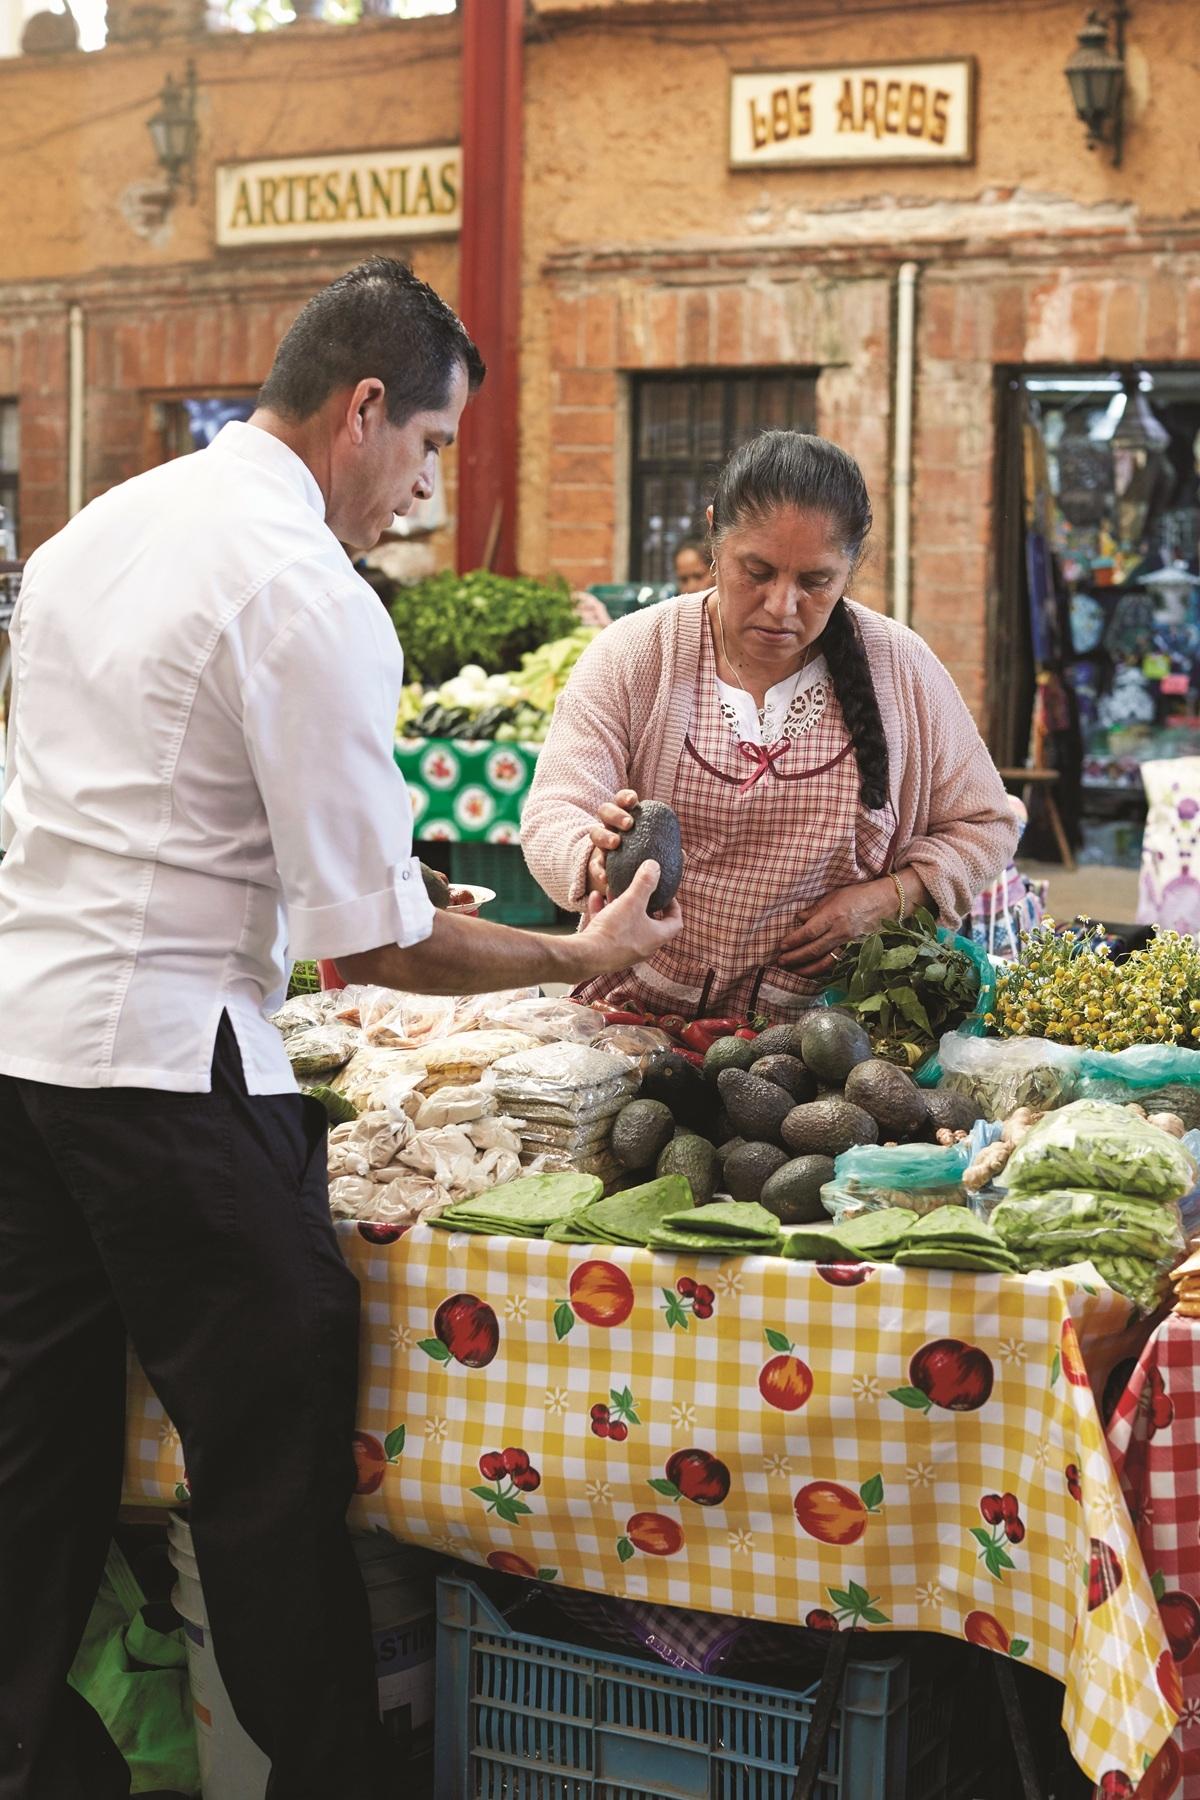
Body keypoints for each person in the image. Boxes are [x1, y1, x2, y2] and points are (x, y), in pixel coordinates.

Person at [0, 257, 680, 1800]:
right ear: (364, 409)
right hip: (165, 1070)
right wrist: (577, 948)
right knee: (272, 1447)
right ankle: (321, 1769)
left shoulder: (101, 527)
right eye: (430, 447)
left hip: (26, 1050)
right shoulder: (302, 582)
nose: (424, 493)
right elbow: (371, 939)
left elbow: (157, 808)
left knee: (34, 1447)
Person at [522, 430, 1016, 1021]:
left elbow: (985, 823)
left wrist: (891, 899)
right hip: (637, 1023)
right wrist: (599, 861)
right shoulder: (636, 654)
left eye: (815, 582)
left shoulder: (900, 667)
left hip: (838, 1040)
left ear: (851, 567)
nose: (782, 606)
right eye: (755, 571)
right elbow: (554, 813)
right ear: (714, 537)